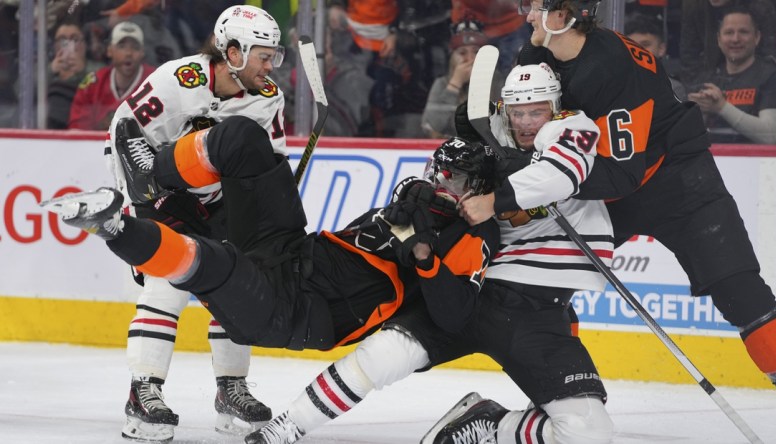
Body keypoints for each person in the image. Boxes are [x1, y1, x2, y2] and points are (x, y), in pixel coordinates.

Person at [42, 120, 500, 440]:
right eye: (437, 172)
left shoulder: (471, 239)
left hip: (295, 313)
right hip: (294, 251)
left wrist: (423, 258)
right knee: (244, 141)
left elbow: (453, 313)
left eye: (455, 180)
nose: (440, 183)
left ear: (479, 192)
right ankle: (151, 177)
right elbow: (398, 209)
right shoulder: (419, 195)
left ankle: (113, 227)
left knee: (211, 260)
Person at [247, 63, 615, 444]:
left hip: (535, 309)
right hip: (473, 288)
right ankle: (287, 426)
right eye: (517, 112)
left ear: (555, 107)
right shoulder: (492, 129)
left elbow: (562, 172)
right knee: (386, 354)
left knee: (589, 432)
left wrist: (493, 199)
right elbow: (447, 161)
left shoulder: (571, 127)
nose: (525, 122)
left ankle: (491, 423)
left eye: (536, 112)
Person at [511, 0, 776, 404]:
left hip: (680, 181)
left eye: (535, 6)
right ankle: (565, 398)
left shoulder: (610, 65)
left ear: (563, 15)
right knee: (544, 282)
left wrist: (549, 179)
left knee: (742, 294)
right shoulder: (536, 56)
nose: (527, 15)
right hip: (609, 183)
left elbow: (624, 175)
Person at [103, 5, 289, 442]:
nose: (271, 65)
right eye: (264, 55)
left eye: (274, 56)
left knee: (238, 285)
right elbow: (123, 129)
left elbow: (269, 160)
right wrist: (141, 193)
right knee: (166, 283)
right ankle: (142, 392)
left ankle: (231, 390)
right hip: (158, 193)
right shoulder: (178, 79)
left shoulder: (268, 97)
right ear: (234, 51)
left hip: (218, 200)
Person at [687, 7, 776, 144]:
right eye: (729, 32)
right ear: (719, 39)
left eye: (743, 32)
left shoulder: (775, 78)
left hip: (759, 163)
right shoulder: (707, 80)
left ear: (757, 37)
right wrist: (700, 113)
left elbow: (770, 135)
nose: (735, 39)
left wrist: (722, 107)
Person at [421, 19, 504, 138]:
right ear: (452, 58)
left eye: (476, 52)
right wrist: (455, 84)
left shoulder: (499, 82)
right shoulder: (441, 84)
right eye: (462, 53)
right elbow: (433, 126)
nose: (470, 59)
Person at [68, 21, 155, 130]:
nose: (128, 53)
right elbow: (77, 131)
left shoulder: (156, 83)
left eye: (135, 47)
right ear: (109, 50)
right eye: (122, 46)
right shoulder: (92, 84)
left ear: (142, 52)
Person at [680, 0, 776, 83]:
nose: (735, 39)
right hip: (711, 78)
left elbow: (769, 56)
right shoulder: (693, 5)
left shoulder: (761, 7)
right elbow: (689, 59)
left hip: (754, 79)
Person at [48, 19, 104, 129]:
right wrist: (50, 70)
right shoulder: (44, 69)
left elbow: (104, 90)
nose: (69, 45)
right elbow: (20, 91)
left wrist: (83, 71)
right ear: (54, 45)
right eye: (62, 40)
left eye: (75, 39)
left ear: (85, 44)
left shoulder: (99, 69)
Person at [624, 13, 687, 101]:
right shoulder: (611, 87)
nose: (637, 51)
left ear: (661, 49)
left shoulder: (673, 89)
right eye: (632, 46)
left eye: (645, 45)